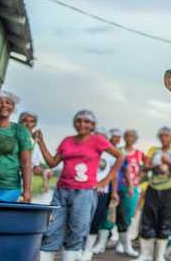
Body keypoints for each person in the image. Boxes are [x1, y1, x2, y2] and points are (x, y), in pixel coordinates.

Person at [35, 110, 124, 261]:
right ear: (75, 123)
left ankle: (70, 256)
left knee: (77, 230)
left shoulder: (97, 140)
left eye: (87, 122)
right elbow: (52, 162)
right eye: (79, 121)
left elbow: (120, 156)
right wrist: (41, 142)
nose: (82, 124)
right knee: (51, 229)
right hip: (62, 191)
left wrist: (106, 180)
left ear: (92, 125)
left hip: (84, 192)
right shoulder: (67, 141)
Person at [136, 126, 171, 261]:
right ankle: (145, 254)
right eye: (161, 136)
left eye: (166, 136)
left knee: (166, 220)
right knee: (148, 219)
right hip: (153, 188)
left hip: (170, 189)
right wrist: (155, 166)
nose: (164, 138)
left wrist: (168, 162)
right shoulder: (153, 150)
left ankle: (159, 256)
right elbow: (145, 166)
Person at [82, 129, 125, 260]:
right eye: (96, 137)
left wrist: (114, 192)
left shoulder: (110, 155)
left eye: (102, 138)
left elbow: (114, 176)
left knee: (96, 220)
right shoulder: (85, 151)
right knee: (81, 220)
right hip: (84, 190)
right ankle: (78, 247)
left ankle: (88, 250)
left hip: (102, 192)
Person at [115, 129, 145, 256]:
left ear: (135, 138)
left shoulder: (139, 153)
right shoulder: (119, 151)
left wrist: (138, 178)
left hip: (132, 188)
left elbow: (144, 168)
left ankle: (123, 243)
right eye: (127, 135)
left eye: (132, 136)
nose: (129, 138)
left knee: (129, 215)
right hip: (118, 185)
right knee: (116, 214)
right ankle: (119, 242)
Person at [19, 111, 53, 193]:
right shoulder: (14, 138)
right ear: (20, 122)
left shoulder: (34, 143)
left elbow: (33, 167)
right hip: (9, 182)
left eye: (31, 121)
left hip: (25, 185)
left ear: (35, 124)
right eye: (25, 121)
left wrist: (44, 172)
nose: (28, 124)